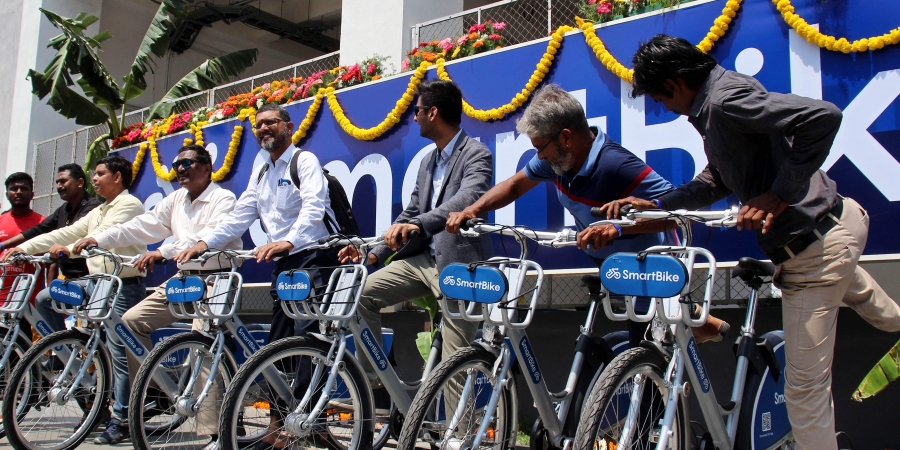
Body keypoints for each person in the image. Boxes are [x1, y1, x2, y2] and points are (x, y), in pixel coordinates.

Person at [602, 34, 900, 450]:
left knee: (804, 393)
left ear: (673, 84)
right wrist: (657, 204)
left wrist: (778, 194)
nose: (663, 108)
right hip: (835, 229)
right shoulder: (715, 105)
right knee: (861, 293)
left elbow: (824, 116)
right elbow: (716, 180)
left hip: (814, 251)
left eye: (658, 98)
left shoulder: (725, 101)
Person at [445, 84, 728, 347]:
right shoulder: (556, 161)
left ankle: (694, 317)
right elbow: (515, 184)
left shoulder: (616, 165)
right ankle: (693, 318)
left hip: (650, 269)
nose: (539, 157)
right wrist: (472, 210)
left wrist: (617, 229)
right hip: (615, 268)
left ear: (566, 137)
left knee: (651, 369)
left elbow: (675, 212)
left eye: (540, 148)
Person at [175, 103, 339, 449]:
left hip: (312, 258)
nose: (263, 129)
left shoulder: (303, 161)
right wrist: (205, 242)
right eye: (258, 125)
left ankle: (299, 425)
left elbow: (314, 206)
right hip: (284, 263)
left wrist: (288, 240)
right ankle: (281, 424)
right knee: (278, 346)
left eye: (270, 123)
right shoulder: (261, 166)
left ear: (288, 127)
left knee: (307, 342)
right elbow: (243, 212)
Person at [73, 144, 241, 448]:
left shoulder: (222, 198)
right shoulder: (176, 199)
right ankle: (154, 391)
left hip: (217, 278)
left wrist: (163, 251)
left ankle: (214, 434)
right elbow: (142, 226)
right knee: (131, 322)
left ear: (206, 167)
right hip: (185, 278)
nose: (181, 171)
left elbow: (210, 237)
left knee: (201, 344)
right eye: (177, 166)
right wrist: (99, 238)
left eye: (188, 164)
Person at [337, 79, 493, 402]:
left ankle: (455, 438)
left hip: (459, 268)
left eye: (417, 111)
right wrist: (374, 254)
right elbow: (409, 213)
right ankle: (373, 381)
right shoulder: (427, 161)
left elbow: (466, 199)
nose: (414, 117)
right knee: (362, 295)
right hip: (422, 262)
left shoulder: (476, 154)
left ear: (432, 112)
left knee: (453, 364)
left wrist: (420, 225)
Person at [3, 155, 147, 444]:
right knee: (44, 299)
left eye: (100, 174)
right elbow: (67, 231)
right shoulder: (100, 209)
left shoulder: (129, 205)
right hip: (94, 283)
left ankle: (122, 419)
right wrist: (23, 248)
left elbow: (99, 237)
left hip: (122, 285)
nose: (94, 179)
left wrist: (65, 250)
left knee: (121, 355)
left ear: (116, 178)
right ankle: (72, 347)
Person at [2, 164, 101, 283]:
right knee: (44, 299)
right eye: (57, 182)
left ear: (80, 183)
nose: (59, 186)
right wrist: (3, 245)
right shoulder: (63, 209)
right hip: (68, 278)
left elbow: (68, 234)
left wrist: (25, 248)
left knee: (42, 299)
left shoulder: (93, 207)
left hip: (89, 279)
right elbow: (39, 229)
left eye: (63, 181)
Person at [0, 173, 45, 301]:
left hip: (29, 299)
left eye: (24, 189)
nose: (18, 192)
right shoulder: (1, 220)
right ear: (7, 194)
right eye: (14, 189)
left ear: (32, 194)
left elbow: (51, 262)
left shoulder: (43, 223)